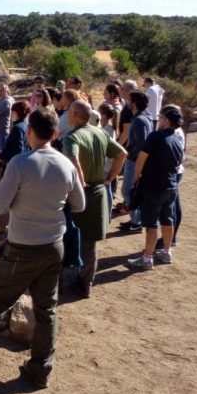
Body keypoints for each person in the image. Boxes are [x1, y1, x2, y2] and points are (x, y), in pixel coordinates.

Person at [0, 109, 86, 389]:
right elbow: (80, 205)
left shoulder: (20, 163)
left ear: (29, 131)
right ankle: (40, 369)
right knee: (46, 309)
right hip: (53, 246)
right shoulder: (67, 165)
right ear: (55, 134)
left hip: (22, 246)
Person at [62, 101, 127, 297]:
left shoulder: (72, 137)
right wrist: (110, 178)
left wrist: (80, 183)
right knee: (90, 242)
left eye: (69, 112)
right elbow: (122, 154)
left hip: (79, 193)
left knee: (67, 235)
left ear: (74, 114)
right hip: (98, 190)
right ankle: (85, 282)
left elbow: (73, 161)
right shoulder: (100, 133)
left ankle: (66, 277)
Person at [126, 105, 185, 270]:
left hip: (153, 187)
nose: (158, 120)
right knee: (168, 219)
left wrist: (136, 179)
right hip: (170, 186)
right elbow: (179, 162)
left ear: (166, 120)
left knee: (151, 223)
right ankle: (166, 252)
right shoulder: (177, 138)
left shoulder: (155, 137)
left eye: (161, 118)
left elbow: (141, 159)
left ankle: (147, 258)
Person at [0, 100, 32, 238]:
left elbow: (17, 150)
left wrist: (0, 155)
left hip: (13, 169)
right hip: (24, 168)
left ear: (15, 112)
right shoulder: (27, 126)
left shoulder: (18, 128)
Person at [120, 90, 153, 232]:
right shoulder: (146, 116)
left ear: (134, 103)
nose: (126, 102)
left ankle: (136, 221)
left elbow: (141, 145)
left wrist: (130, 155)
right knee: (132, 192)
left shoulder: (139, 120)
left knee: (128, 191)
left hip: (134, 161)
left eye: (128, 100)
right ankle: (135, 220)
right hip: (135, 160)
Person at [157, 104, 185, 249]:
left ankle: (170, 238)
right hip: (175, 171)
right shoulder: (176, 131)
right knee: (173, 206)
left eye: (161, 117)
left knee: (172, 208)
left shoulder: (175, 133)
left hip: (172, 172)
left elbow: (178, 156)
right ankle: (170, 238)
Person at [98, 103, 119, 218]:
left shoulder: (107, 130)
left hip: (105, 165)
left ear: (104, 115)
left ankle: (106, 215)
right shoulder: (109, 128)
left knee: (106, 189)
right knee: (107, 188)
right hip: (107, 164)